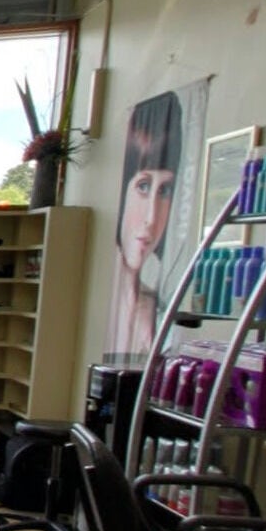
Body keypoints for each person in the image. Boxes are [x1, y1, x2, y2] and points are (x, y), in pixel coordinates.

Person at [108, 91, 183, 354]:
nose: (152, 217)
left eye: (164, 191)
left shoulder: (157, 312)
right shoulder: (109, 305)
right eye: (143, 186)